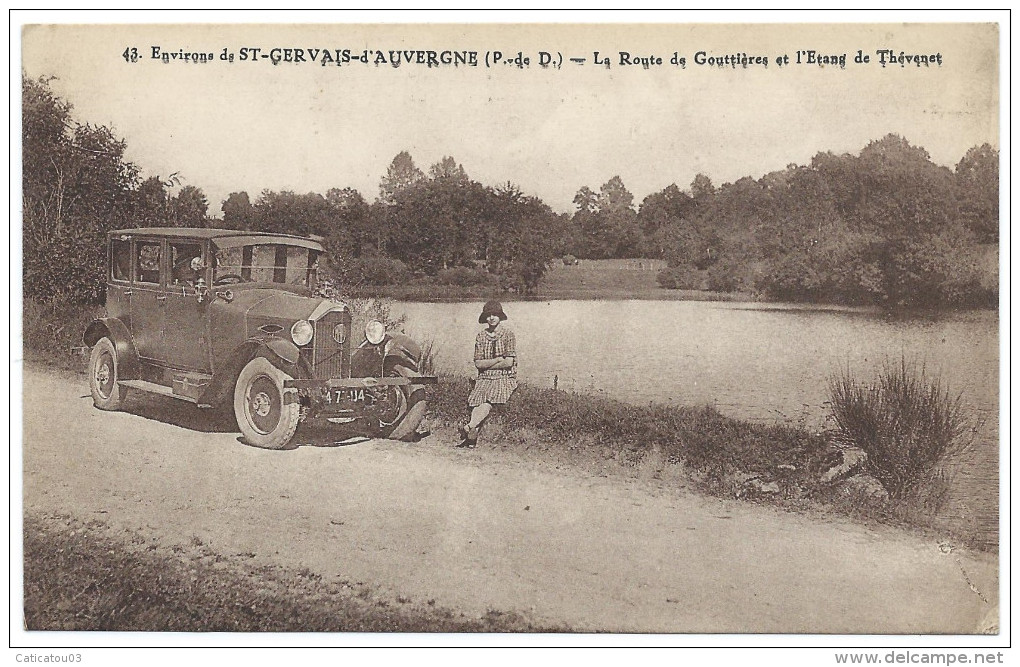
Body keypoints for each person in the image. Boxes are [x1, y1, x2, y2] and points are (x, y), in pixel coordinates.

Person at [458, 300, 517, 448]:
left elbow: (508, 362)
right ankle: (472, 429)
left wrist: (489, 363)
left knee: (491, 398)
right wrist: (497, 359)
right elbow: (478, 363)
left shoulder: (508, 334)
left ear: (500, 317)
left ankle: (470, 428)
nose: (491, 318)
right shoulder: (481, 336)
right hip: (484, 377)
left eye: (495, 315)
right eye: (488, 315)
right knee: (479, 400)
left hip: (504, 376)